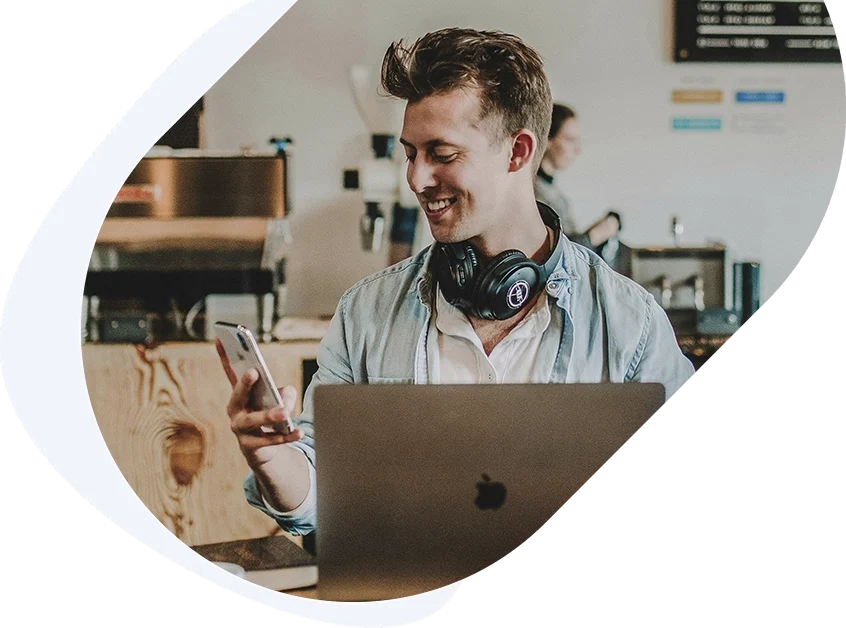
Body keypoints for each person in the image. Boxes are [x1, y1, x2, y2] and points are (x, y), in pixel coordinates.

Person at [216, 27, 696, 538]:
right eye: (410, 153)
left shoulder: (630, 322)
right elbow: (319, 491)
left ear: (518, 153)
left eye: (442, 154)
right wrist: (273, 460)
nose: (417, 179)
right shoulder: (365, 312)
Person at [534, 104, 630, 275]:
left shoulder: (553, 192)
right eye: (570, 140)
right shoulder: (534, 192)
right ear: (547, 139)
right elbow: (555, 256)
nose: (577, 150)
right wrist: (598, 233)